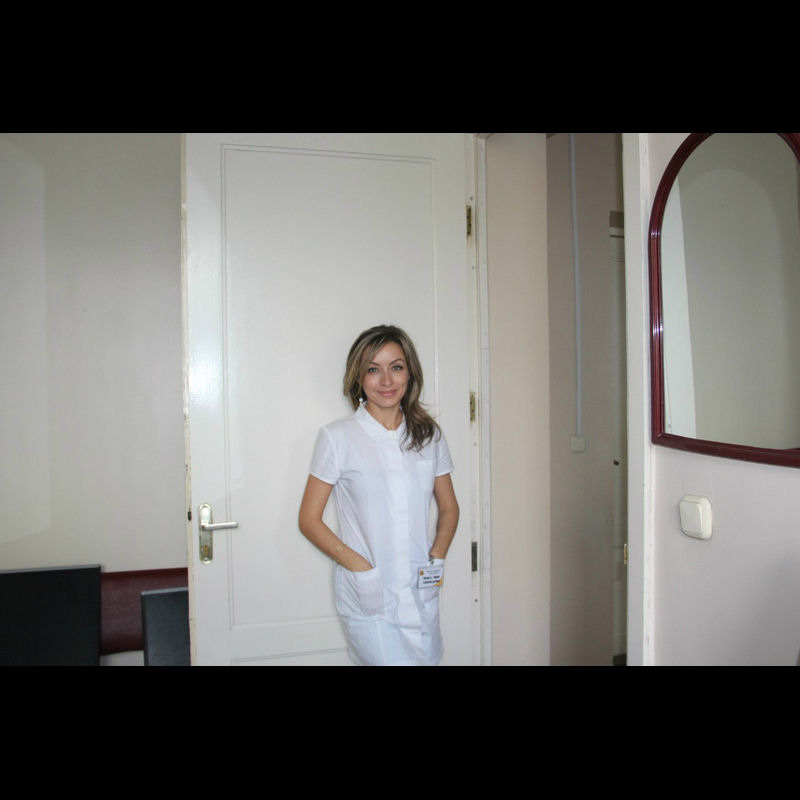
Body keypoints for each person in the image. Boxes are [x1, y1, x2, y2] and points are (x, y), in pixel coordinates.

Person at [298, 324, 459, 666]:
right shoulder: (337, 437)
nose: (386, 380)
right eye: (373, 369)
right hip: (369, 592)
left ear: (410, 373)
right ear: (358, 377)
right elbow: (309, 520)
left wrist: (436, 560)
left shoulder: (429, 435)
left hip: (420, 587)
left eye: (396, 367)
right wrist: (360, 567)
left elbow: (449, 507)